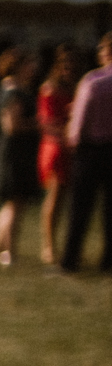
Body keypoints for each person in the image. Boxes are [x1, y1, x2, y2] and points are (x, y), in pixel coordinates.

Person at [59, 33, 112, 275]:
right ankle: (108, 259)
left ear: (105, 52)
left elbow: (79, 123)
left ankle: (70, 259)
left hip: (90, 150)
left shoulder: (93, 81)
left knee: (80, 208)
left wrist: (74, 142)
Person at [0, 91, 42, 267]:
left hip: (15, 153)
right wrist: (38, 124)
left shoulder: (8, 89)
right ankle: (9, 252)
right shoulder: (15, 93)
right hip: (15, 155)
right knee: (15, 204)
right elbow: (11, 126)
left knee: (10, 205)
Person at [38, 46, 79, 265]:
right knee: (54, 198)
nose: (68, 71)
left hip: (70, 148)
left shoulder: (75, 88)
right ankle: (49, 246)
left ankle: (62, 245)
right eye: (64, 67)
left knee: (65, 200)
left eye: (71, 68)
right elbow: (46, 122)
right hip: (55, 147)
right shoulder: (49, 89)